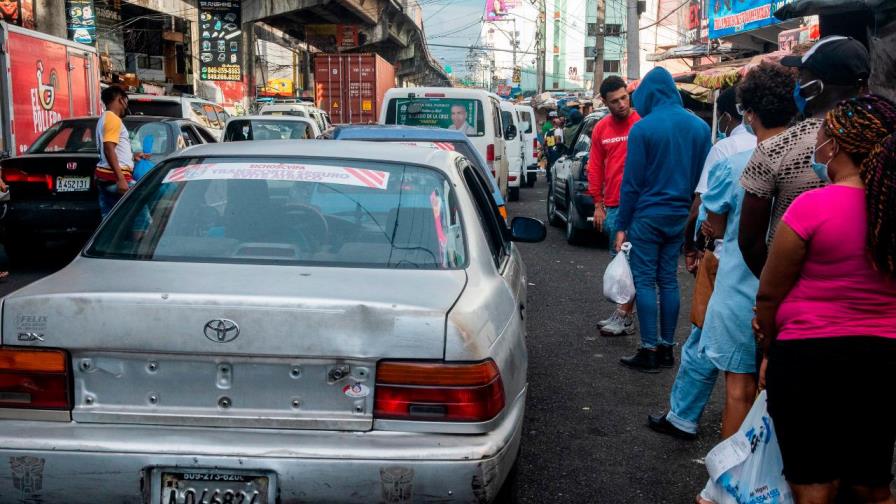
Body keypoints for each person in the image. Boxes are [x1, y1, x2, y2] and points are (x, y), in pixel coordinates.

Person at [755, 94, 896, 504]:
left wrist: (767, 343)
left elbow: (770, 292)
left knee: (813, 483)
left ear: (833, 146)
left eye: (819, 136)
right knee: (872, 484)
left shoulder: (812, 207)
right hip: (884, 360)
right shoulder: (890, 210)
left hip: (807, 358)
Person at [648, 68, 796, 439]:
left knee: (739, 388)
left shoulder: (733, 162)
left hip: (739, 285)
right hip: (795, 289)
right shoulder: (811, 161)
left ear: (749, 114)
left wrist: (700, 240)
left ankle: (732, 484)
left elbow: (712, 223)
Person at [739, 36, 870, 278]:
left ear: (816, 86)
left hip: (795, 289)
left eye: (802, 76)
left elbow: (749, 241)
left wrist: (781, 287)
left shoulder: (775, 148)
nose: (797, 83)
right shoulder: (882, 140)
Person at [615, 67, 711, 373]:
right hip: (680, 216)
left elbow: (631, 183)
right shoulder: (699, 128)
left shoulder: (643, 129)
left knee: (645, 281)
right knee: (668, 280)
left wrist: (621, 224)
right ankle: (668, 349)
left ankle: (649, 349)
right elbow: (703, 181)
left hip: (647, 216)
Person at [587, 76, 641, 336]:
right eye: (614, 101)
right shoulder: (601, 129)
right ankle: (624, 311)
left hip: (639, 205)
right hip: (613, 205)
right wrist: (597, 203)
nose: (621, 104)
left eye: (624, 98)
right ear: (605, 102)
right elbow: (595, 167)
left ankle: (625, 316)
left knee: (630, 259)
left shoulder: (641, 123)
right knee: (618, 259)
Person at [95, 86, 147, 217]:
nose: (126, 106)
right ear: (121, 100)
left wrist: (132, 156)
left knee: (110, 219)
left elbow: (112, 149)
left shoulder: (104, 118)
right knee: (141, 218)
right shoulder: (113, 119)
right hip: (116, 179)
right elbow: (108, 148)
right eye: (126, 102)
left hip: (105, 178)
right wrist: (121, 179)